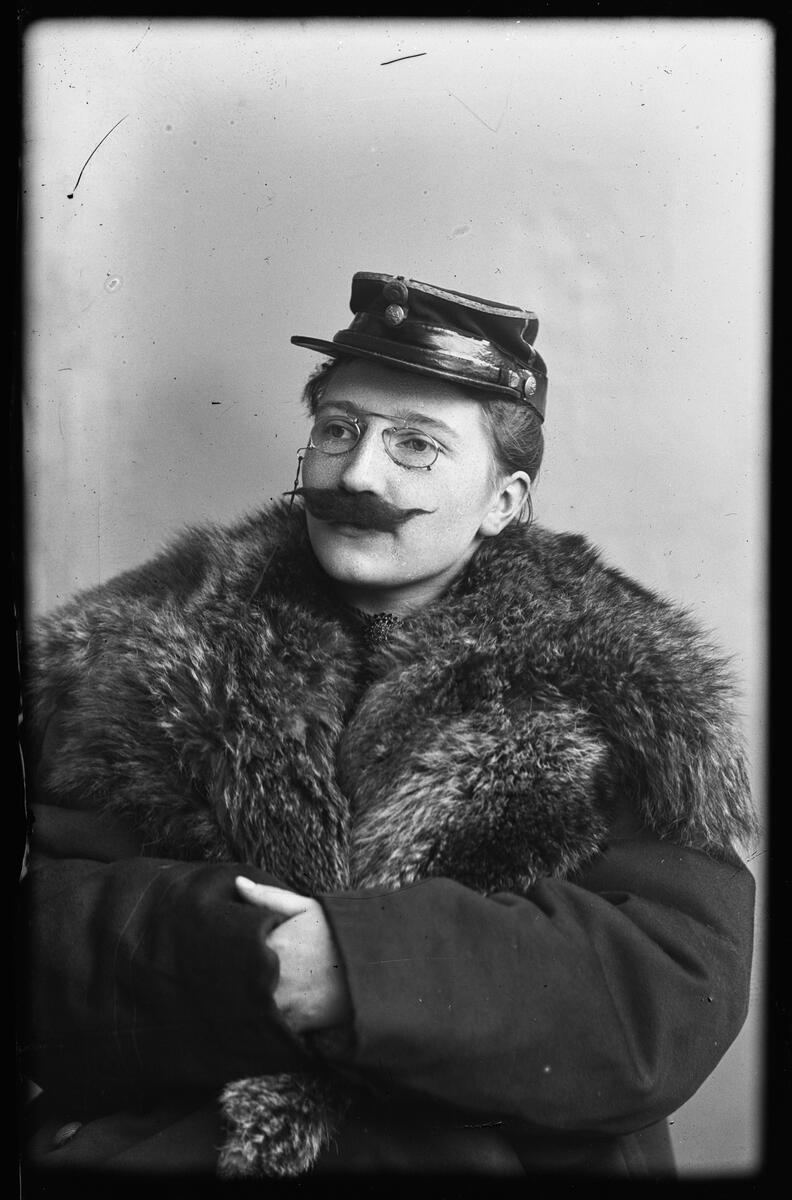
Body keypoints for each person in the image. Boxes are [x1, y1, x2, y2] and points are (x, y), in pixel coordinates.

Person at [19, 271, 757, 1181]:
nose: (357, 473)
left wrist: (360, 970)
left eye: (416, 446)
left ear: (505, 501)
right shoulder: (150, 637)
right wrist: (248, 963)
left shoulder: (625, 681)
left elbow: (669, 990)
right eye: (339, 430)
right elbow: (47, 917)